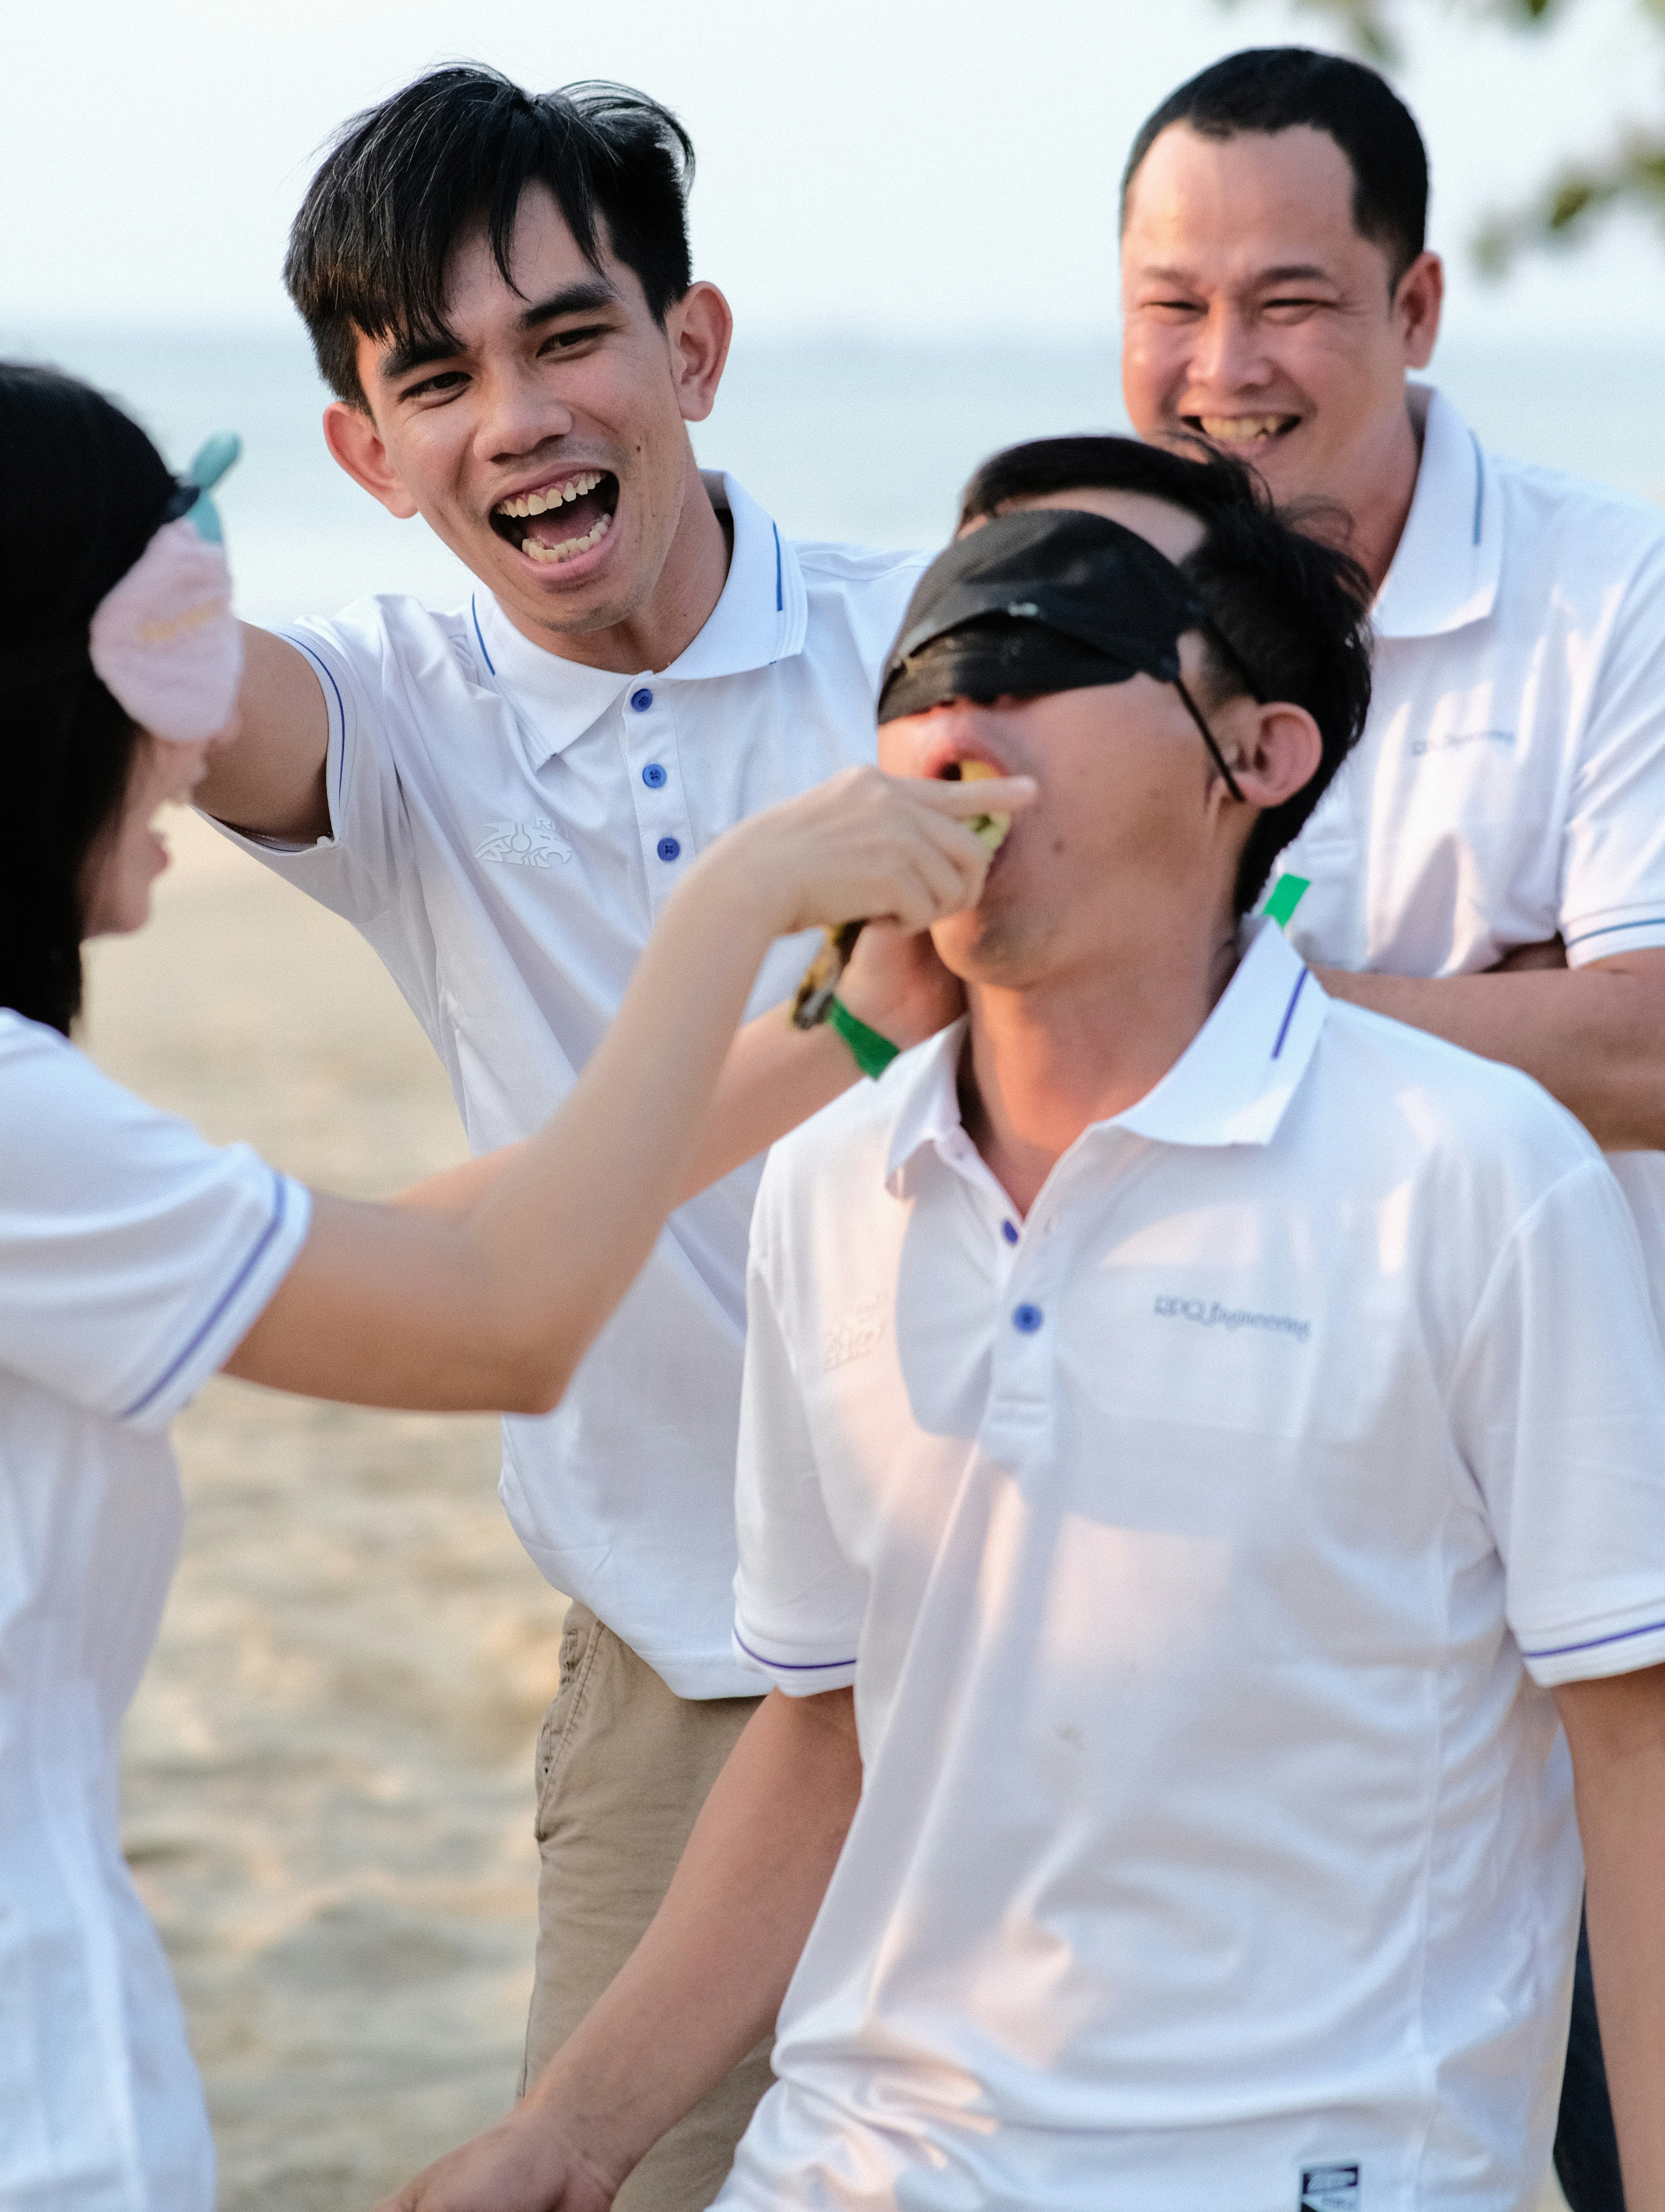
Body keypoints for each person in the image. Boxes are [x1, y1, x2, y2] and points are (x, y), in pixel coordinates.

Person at [379, 457, 1665, 2212]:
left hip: (1299, 2170)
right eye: (928, 658)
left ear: (1259, 756)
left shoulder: (1472, 1175)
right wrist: (570, 2133)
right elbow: (824, 1728)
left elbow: (1633, 1740)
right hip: (855, 2166)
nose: (971, 695)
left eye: (1059, 631)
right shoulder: (837, 1182)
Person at [0, 362, 1024, 2212]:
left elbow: (436, 1241)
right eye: (166, 667)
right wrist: (740, 907)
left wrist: (848, 1025)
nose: (189, 748)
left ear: (696, 343)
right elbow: (497, 1310)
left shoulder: (49, 1141)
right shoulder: (20, 1133)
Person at [191, 63, 953, 2206]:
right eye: (436, 377)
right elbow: (200, 702)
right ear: (364, 453)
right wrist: (104, 577)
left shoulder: (931, 642)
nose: (514, 415)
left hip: (1036, 1614)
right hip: (681, 1667)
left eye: (569, 336)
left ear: (688, 349)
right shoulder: (403, 714)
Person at [1116, 41, 1665, 2211]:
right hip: (1224, 1555)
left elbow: (1651, 1049)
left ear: (1416, 308)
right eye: (1171, 300)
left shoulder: (1608, 596)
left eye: (1291, 299)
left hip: (1591, 1524)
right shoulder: (1084, 590)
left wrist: (1253, 1005)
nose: (1221, 365)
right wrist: (1506, 994)